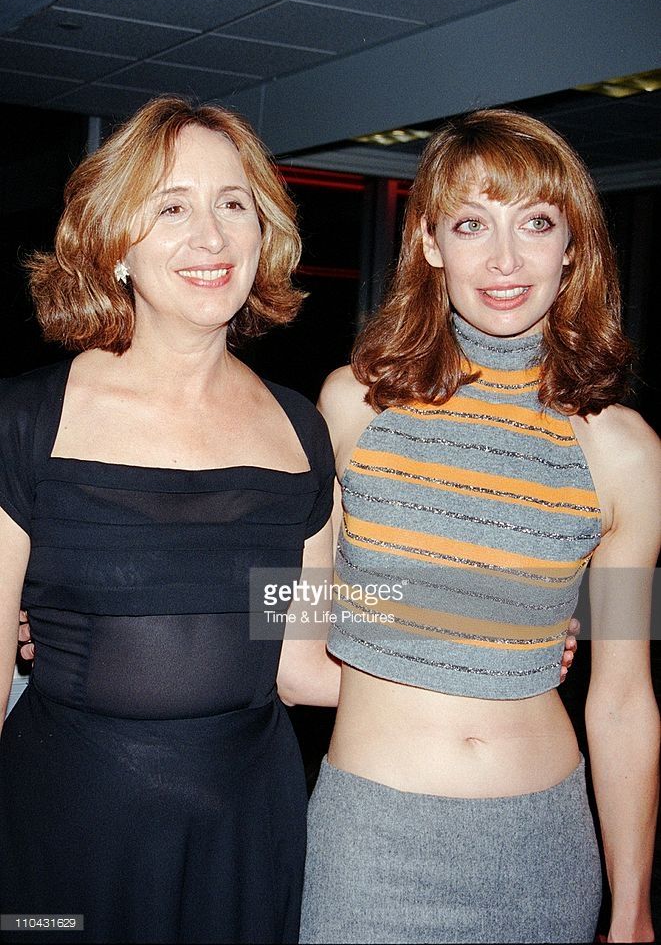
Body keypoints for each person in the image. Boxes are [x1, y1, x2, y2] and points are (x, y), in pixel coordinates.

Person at [300, 109, 660, 944]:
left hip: (544, 849)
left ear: (571, 247)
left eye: (535, 224)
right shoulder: (351, 406)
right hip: (369, 843)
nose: (504, 260)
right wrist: (472, 626)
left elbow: (622, 700)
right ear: (429, 243)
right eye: (471, 225)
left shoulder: (627, 452)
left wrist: (633, 908)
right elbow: (289, 624)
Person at [0, 96, 342, 944]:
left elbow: (302, 660)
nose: (211, 236)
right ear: (116, 243)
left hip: (245, 833)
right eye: (172, 208)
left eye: (233, 204)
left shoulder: (301, 429)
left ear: (263, 233)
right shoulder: (24, 422)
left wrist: (489, 634)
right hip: (63, 831)